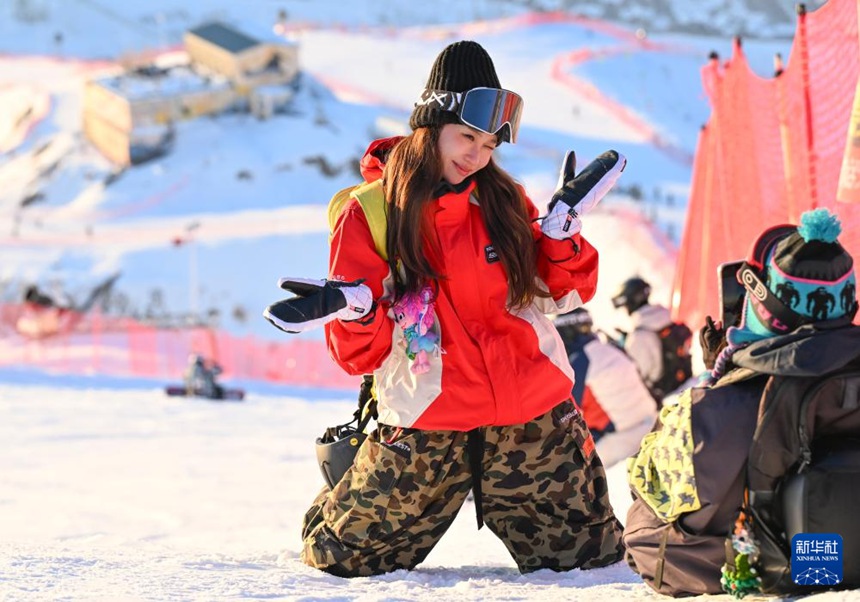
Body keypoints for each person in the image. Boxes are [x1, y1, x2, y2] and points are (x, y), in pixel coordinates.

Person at [272, 40, 627, 577]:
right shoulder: (371, 213)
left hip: (533, 418)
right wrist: (359, 312)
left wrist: (559, 236)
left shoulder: (503, 201)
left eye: (489, 145)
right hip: (425, 422)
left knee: (595, 564)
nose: (478, 156)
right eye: (466, 137)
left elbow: (562, 295)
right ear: (430, 123)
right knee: (337, 561)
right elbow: (359, 357)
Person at [623, 208, 860, 596]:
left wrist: (719, 380)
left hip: (766, 572)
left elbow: (651, 539)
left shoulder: (711, 410)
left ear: (761, 303)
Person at [554, 307, 657, 468]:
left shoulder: (579, 363)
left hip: (621, 441)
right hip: (650, 422)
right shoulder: (612, 349)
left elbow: (563, 415)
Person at [611, 275, 691, 402]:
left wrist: (623, 353)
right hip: (689, 385)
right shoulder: (667, 318)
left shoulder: (639, 336)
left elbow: (637, 377)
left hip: (668, 400)